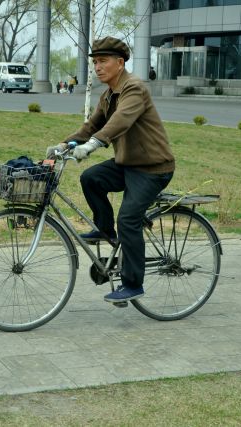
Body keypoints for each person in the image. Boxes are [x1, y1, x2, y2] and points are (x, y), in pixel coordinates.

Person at [46, 37, 175, 303]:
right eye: (95, 62)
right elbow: (91, 126)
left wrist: (93, 145)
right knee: (91, 177)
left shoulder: (134, 89)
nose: (97, 67)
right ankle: (105, 230)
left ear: (120, 63)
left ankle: (133, 284)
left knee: (128, 219)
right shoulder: (108, 95)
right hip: (128, 164)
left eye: (103, 61)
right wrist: (64, 145)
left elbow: (120, 121)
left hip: (152, 168)